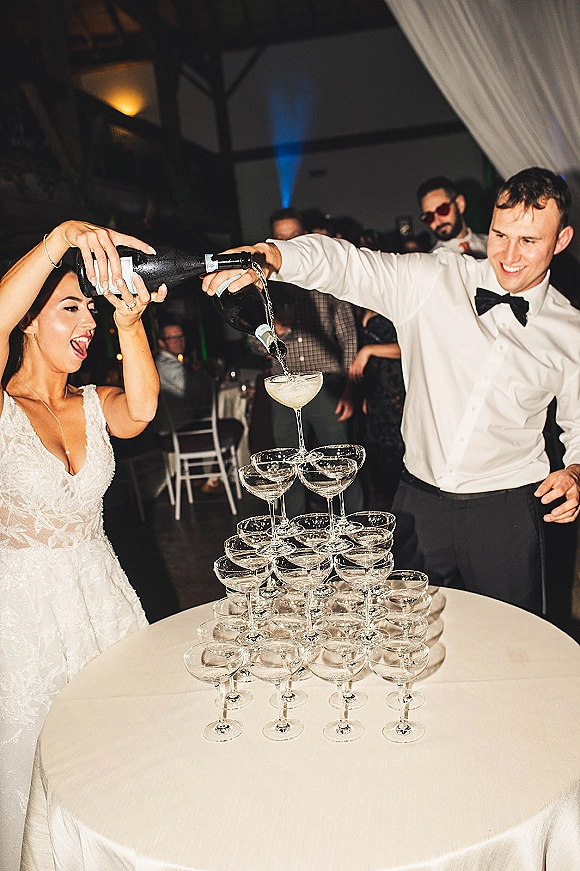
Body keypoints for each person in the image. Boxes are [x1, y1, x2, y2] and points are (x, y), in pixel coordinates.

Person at [202, 167, 580, 614]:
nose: (509, 254)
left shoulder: (570, 331)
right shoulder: (435, 279)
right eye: (500, 235)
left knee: (511, 646)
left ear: (561, 240)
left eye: (529, 241)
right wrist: (271, 256)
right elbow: (347, 265)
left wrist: (575, 474)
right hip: (419, 504)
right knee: (406, 632)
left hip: (507, 510)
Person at [0, 221, 166, 871]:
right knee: (37, 764)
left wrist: (129, 322)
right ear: (28, 321)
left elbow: (143, 408)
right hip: (23, 617)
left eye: (89, 308)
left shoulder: (95, 400)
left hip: (102, 600)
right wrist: (57, 240)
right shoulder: (5, 409)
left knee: (117, 757)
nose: (86, 320)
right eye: (70, 306)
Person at [267, 208, 363, 517]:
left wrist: (350, 388)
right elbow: (251, 344)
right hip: (284, 385)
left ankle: (351, 527)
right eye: (280, 238)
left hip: (326, 382)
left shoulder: (328, 277)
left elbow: (349, 335)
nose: (288, 243)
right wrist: (272, 334)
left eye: (294, 236)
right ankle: (295, 528)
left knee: (338, 459)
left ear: (306, 237)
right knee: (288, 462)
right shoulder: (264, 285)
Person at [349, 309, 405, 509]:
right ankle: (385, 516)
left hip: (396, 386)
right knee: (376, 452)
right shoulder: (361, 304)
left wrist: (369, 350)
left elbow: (408, 348)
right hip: (376, 387)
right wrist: (365, 394)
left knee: (395, 452)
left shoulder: (394, 301)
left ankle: (400, 516)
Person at [417, 175, 488, 257]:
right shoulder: (431, 260)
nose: (437, 221)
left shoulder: (491, 245)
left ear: (459, 204)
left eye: (442, 209)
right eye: (429, 216)